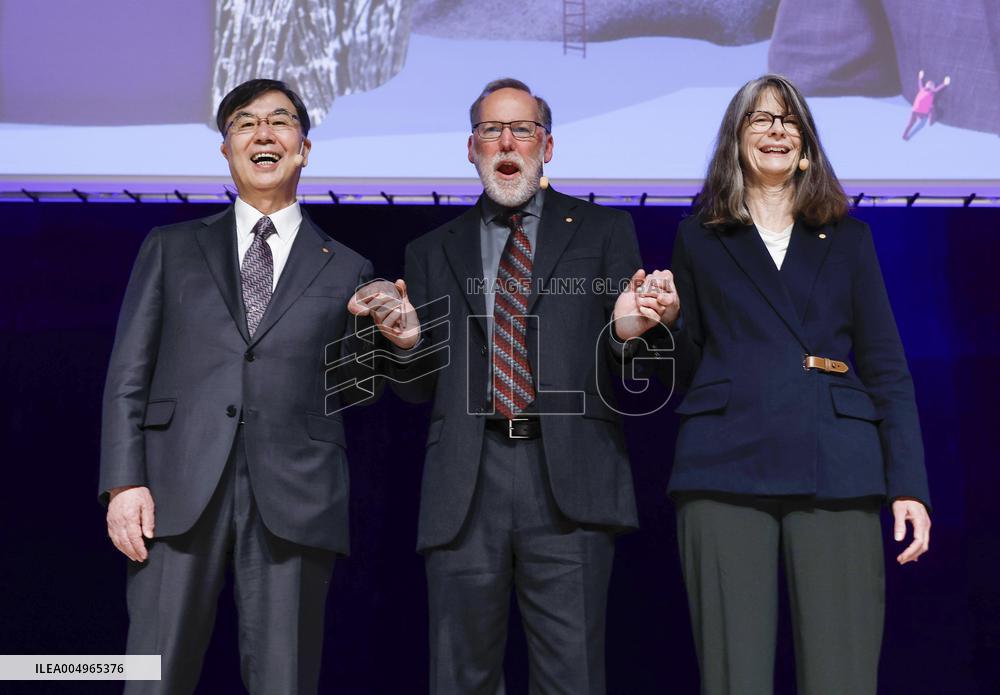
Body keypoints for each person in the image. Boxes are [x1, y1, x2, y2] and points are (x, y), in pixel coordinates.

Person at [350, 77, 676, 694]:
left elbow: (632, 374)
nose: (507, 141)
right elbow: (418, 391)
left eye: (521, 129)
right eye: (491, 130)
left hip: (571, 482)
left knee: (571, 677)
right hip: (465, 486)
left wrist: (630, 333)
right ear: (470, 149)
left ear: (546, 146)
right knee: (460, 677)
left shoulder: (604, 231)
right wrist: (408, 344)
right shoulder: (428, 249)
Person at [100, 78, 383, 694]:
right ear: (226, 151)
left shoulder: (349, 266)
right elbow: (129, 373)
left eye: (279, 121)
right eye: (244, 123)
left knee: (284, 679)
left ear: (303, 149)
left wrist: (395, 336)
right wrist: (123, 482)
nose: (262, 133)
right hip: (175, 487)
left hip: (294, 494)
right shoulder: (171, 247)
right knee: (152, 677)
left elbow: (355, 390)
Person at [662, 74, 932, 694]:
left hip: (836, 467)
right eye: (759, 119)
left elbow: (887, 367)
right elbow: (686, 368)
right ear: (737, 141)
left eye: (788, 120)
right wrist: (666, 325)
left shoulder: (850, 238)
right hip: (724, 468)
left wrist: (909, 485)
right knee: (735, 680)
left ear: (806, 145)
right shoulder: (699, 237)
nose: (776, 129)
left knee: (842, 677)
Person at [903, 70, 952, 140]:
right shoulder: (928, 90)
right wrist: (944, 83)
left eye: (931, 84)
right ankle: (930, 121)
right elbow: (936, 88)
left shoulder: (926, 90)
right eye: (930, 84)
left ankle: (905, 134)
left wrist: (920, 77)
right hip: (919, 111)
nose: (930, 85)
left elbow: (921, 83)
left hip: (918, 110)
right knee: (931, 108)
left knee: (912, 123)